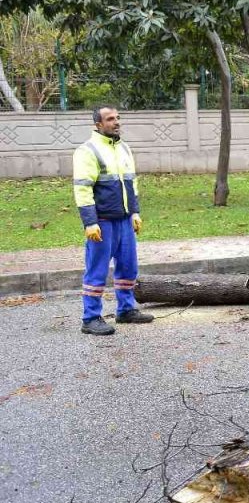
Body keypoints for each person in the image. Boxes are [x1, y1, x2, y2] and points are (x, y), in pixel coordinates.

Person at [73, 105, 152, 336]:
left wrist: (135, 213)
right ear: (98, 124)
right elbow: (83, 189)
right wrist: (90, 222)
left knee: (128, 267)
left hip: (124, 220)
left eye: (117, 118)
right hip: (102, 222)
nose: (116, 122)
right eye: (110, 119)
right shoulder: (87, 151)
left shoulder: (124, 148)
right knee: (97, 270)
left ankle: (126, 310)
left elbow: (131, 183)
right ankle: (90, 318)